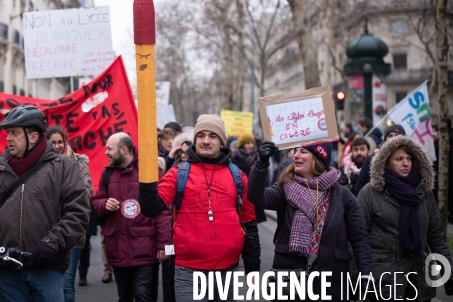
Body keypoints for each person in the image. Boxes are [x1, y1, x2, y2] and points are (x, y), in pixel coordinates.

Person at [0, 106, 90, 302]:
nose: (8, 138)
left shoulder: (64, 167)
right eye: (8, 133)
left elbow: (77, 212)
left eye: (14, 133)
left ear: (33, 137)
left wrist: (51, 244)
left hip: (47, 269)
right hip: (7, 272)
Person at [139, 114, 261, 301]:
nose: (205, 141)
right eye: (201, 136)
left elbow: (249, 225)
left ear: (222, 143)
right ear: (194, 141)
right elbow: (151, 208)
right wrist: (147, 177)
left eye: (212, 136)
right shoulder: (178, 174)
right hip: (188, 273)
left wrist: (252, 270)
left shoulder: (238, 177)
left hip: (227, 273)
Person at [247, 140, 373, 300]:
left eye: (303, 152)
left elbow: (359, 237)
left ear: (318, 158)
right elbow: (256, 197)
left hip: (330, 281)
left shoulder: (343, 195)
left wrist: (366, 275)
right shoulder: (285, 187)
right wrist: (262, 163)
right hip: (290, 280)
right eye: (295, 151)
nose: (296, 155)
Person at [357, 135, 453, 300]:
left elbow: (436, 237)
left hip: (419, 278)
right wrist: (357, 278)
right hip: (385, 281)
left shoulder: (424, 191)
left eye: (409, 158)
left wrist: (448, 273)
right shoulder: (370, 193)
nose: (406, 163)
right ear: (387, 162)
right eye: (399, 159)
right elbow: (357, 238)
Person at [92, 133, 171, 302]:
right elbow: (96, 203)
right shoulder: (107, 174)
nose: (106, 153)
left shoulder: (150, 170)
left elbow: (162, 211)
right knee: (124, 296)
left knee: (143, 294)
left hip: (145, 246)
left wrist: (163, 244)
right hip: (117, 247)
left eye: (109, 149)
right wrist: (104, 204)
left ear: (123, 150)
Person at [45, 126, 93, 302]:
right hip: (46, 233)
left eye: (60, 142)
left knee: (66, 284)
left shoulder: (79, 165)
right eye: (53, 142)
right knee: (49, 284)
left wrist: (65, 189)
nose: (57, 146)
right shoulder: (39, 167)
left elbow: (87, 194)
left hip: (72, 233)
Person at [354, 124, 406, 196]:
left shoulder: (410, 160)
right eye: (390, 136)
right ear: (385, 139)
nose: (393, 138)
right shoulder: (372, 160)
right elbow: (359, 189)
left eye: (397, 135)